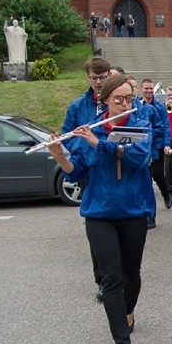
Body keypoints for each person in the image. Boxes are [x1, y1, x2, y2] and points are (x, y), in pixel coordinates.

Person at [48, 73, 155, 344]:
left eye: (128, 99)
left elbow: (137, 159)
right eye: (118, 99)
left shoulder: (140, 125)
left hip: (133, 210)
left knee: (132, 274)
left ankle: (129, 310)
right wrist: (59, 155)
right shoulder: (89, 130)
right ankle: (122, 343)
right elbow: (76, 171)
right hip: (98, 213)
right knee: (111, 278)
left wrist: (101, 143)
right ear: (104, 99)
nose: (124, 104)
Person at [63, 56, 112, 301]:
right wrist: (83, 144)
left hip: (112, 165)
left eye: (103, 78)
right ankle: (103, 280)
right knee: (98, 228)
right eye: (95, 78)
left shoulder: (117, 102)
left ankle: (118, 276)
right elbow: (67, 135)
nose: (99, 82)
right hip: (89, 168)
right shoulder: (78, 106)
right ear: (88, 78)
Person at [140, 78, 171, 228]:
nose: (149, 91)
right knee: (146, 182)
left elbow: (165, 127)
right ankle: (150, 216)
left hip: (157, 147)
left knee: (158, 176)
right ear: (141, 90)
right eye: (146, 88)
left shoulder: (159, 107)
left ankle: (166, 193)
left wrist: (166, 144)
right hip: (143, 148)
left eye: (151, 88)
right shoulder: (138, 106)